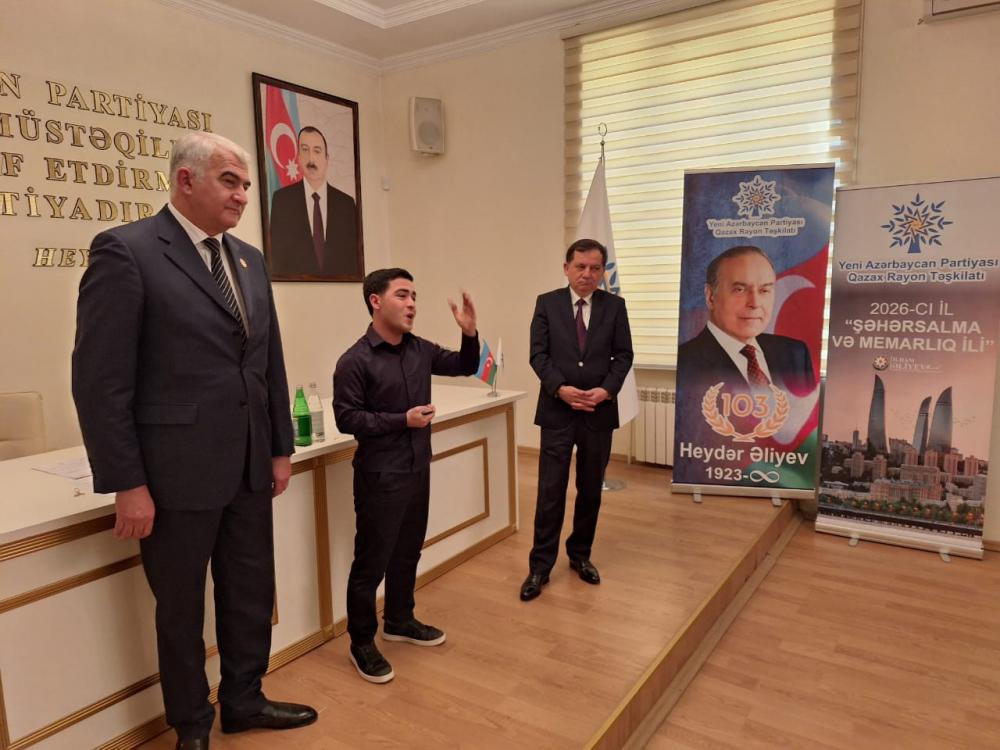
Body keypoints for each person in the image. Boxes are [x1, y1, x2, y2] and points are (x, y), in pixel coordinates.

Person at [72, 132, 316, 750]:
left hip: (249, 465)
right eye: (230, 181)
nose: (242, 195)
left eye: (245, 185)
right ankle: (192, 723)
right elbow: (100, 382)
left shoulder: (248, 260)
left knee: (250, 590)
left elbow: (268, 362)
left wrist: (279, 448)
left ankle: (244, 700)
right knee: (181, 609)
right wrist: (127, 482)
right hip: (174, 473)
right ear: (186, 180)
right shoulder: (127, 251)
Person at [333, 268, 479, 683]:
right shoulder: (355, 360)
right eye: (402, 295)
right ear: (375, 301)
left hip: (417, 468)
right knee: (371, 563)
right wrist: (403, 420)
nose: (412, 303)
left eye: (414, 295)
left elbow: (466, 365)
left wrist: (469, 332)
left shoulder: (420, 349)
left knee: (408, 552)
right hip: (380, 475)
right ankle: (362, 642)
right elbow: (347, 418)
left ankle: (399, 619)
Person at [519, 239, 634, 602]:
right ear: (566, 268)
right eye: (580, 266)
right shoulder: (547, 303)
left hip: (598, 412)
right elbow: (538, 354)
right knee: (550, 491)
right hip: (557, 411)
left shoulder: (615, 306)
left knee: (590, 489)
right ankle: (540, 566)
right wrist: (560, 389)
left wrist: (607, 390)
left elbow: (623, 355)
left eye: (595, 268)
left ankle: (580, 555)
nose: (587, 274)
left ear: (602, 271)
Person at [673, 245, 816, 462]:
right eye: (740, 289)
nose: (755, 303)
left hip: (784, 469)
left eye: (764, 290)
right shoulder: (687, 361)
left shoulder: (795, 353)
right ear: (710, 296)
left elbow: (804, 433)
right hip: (719, 467)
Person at [268, 125, 359, 277]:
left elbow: (351, 259)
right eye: (305, 150)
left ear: (326, 159)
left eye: (317, 151)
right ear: (298, 157)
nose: (311, 159)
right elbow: (278, 257)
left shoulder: (346, 204)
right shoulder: (282, 201)